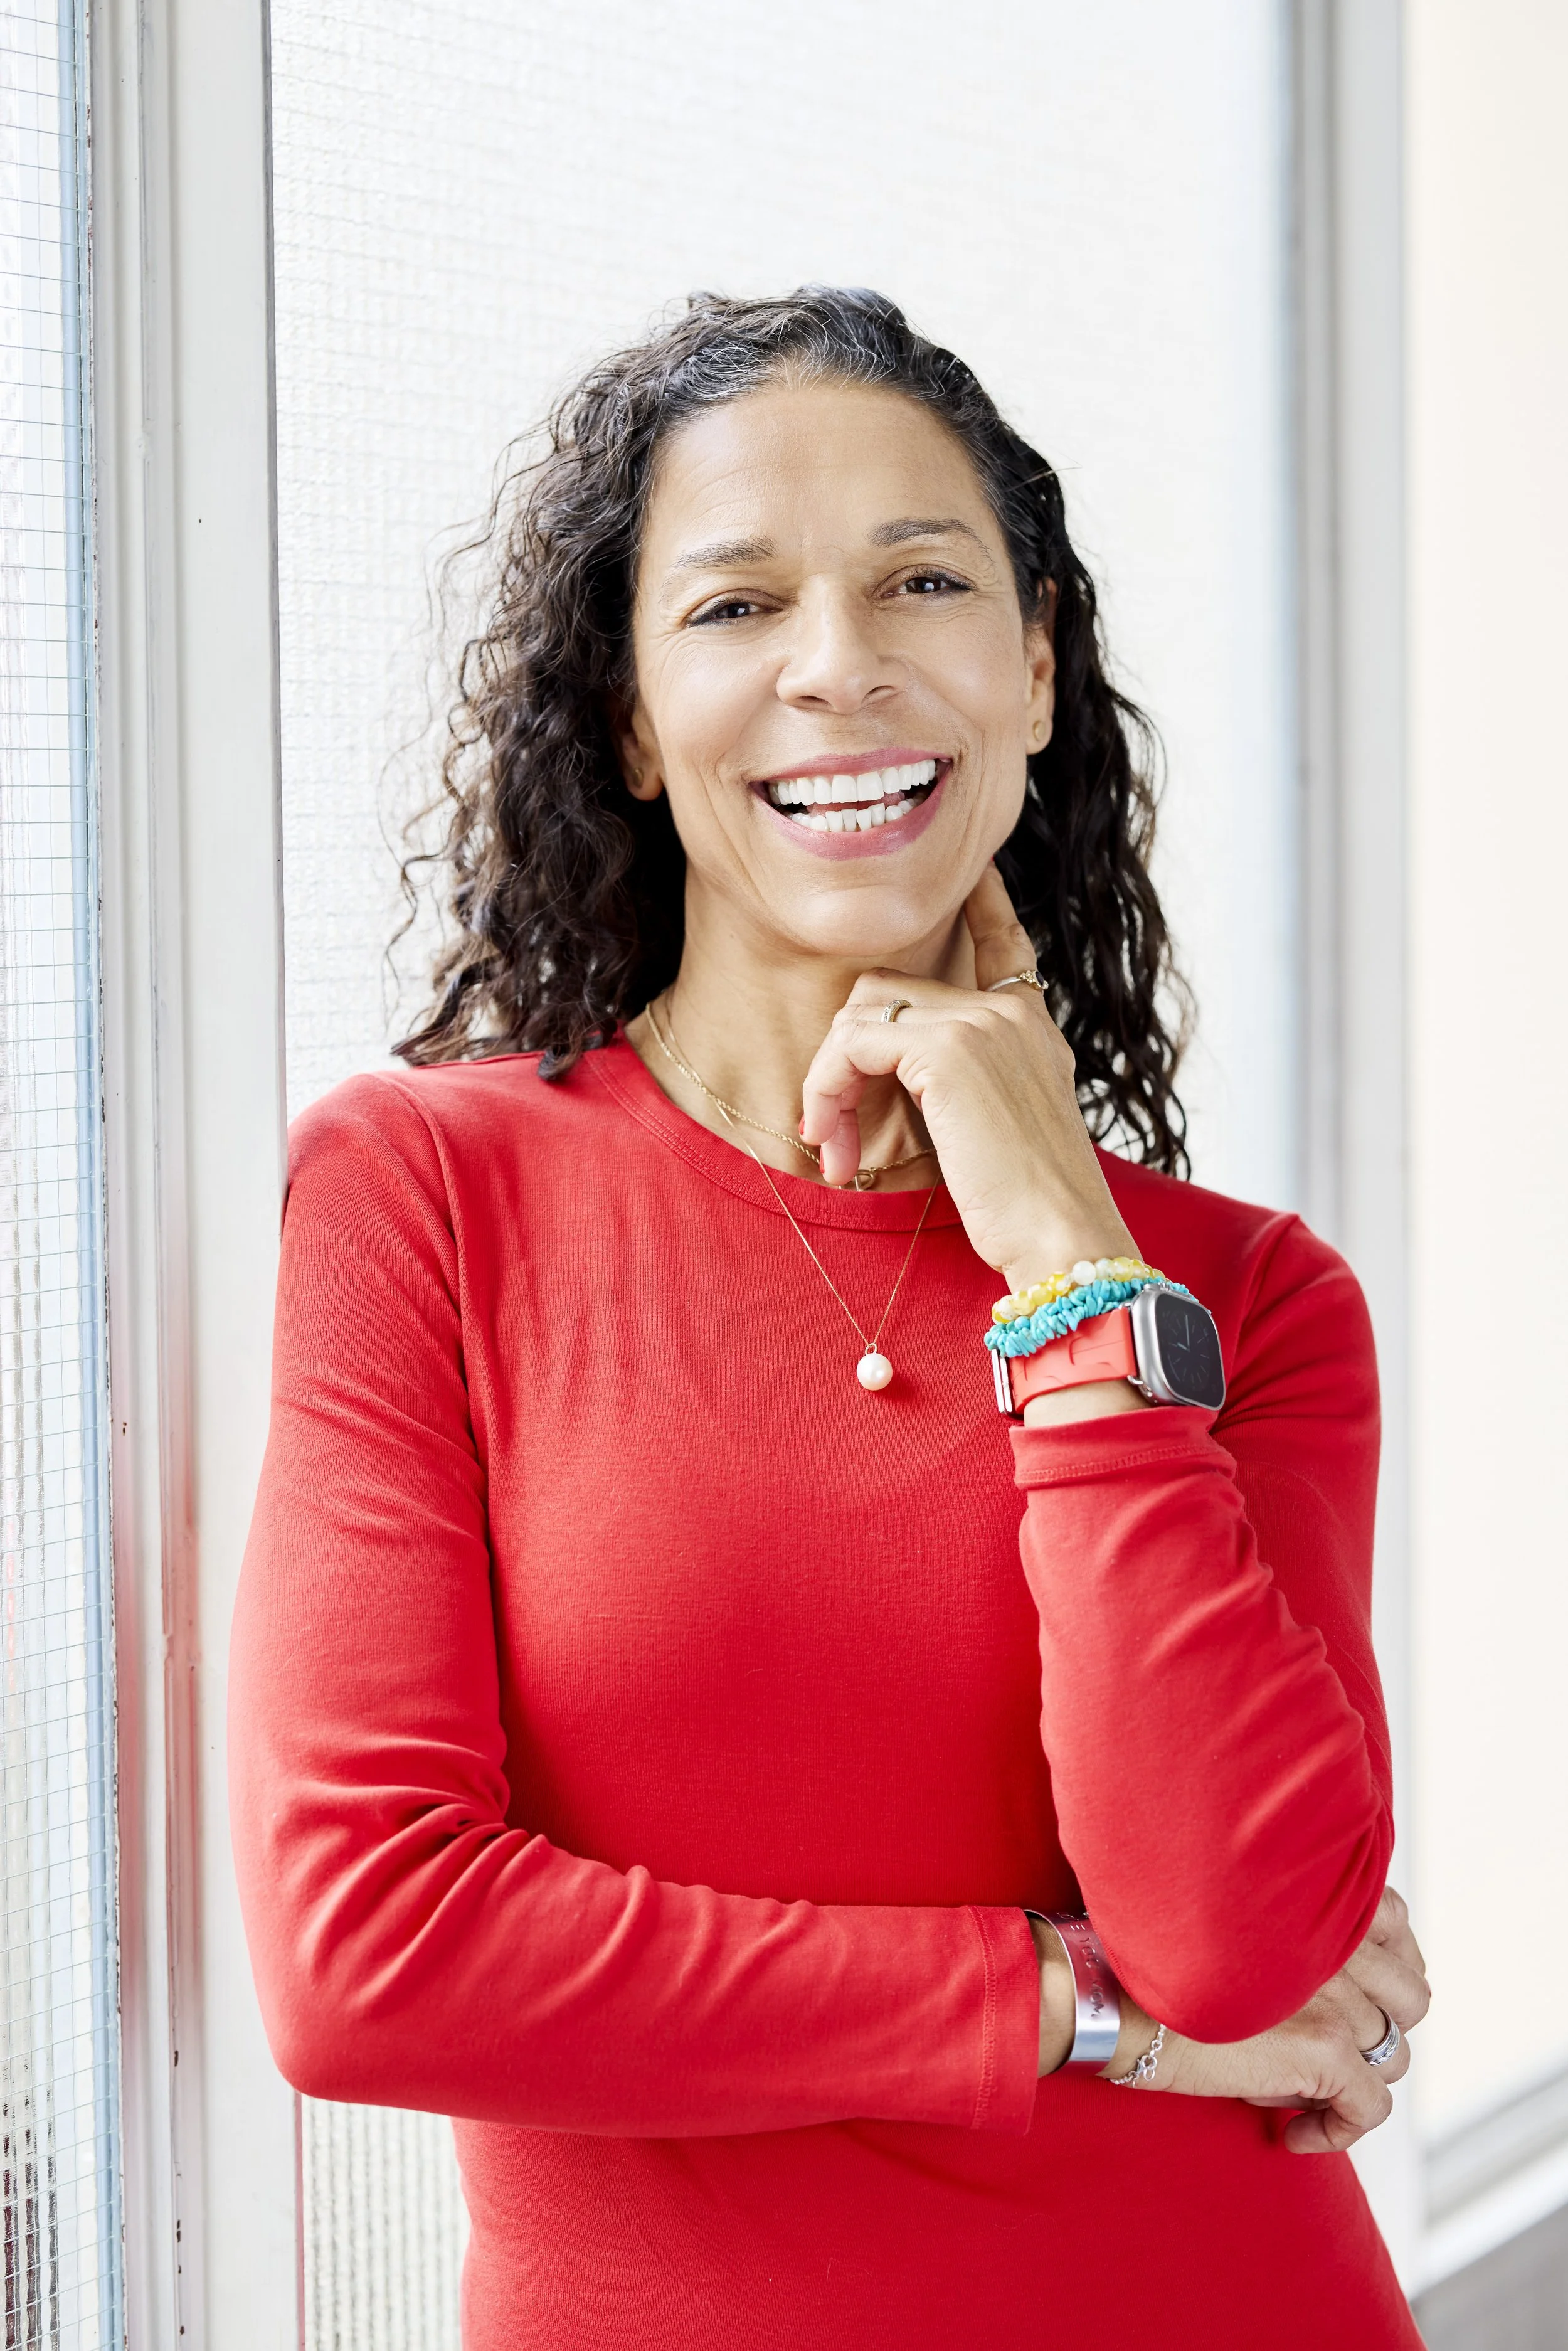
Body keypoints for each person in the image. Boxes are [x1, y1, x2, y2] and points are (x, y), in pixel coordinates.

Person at [230, 288, 1429, 2349]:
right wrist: (1074, 2009)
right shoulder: (423, 1193)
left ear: (1032, 667)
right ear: (628, 718)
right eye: (734, 605)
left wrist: (1063, 1256)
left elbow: (1237, 1945)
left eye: (921, 580)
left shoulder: (1245, 1297)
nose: (837, 662)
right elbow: (371, 1954)